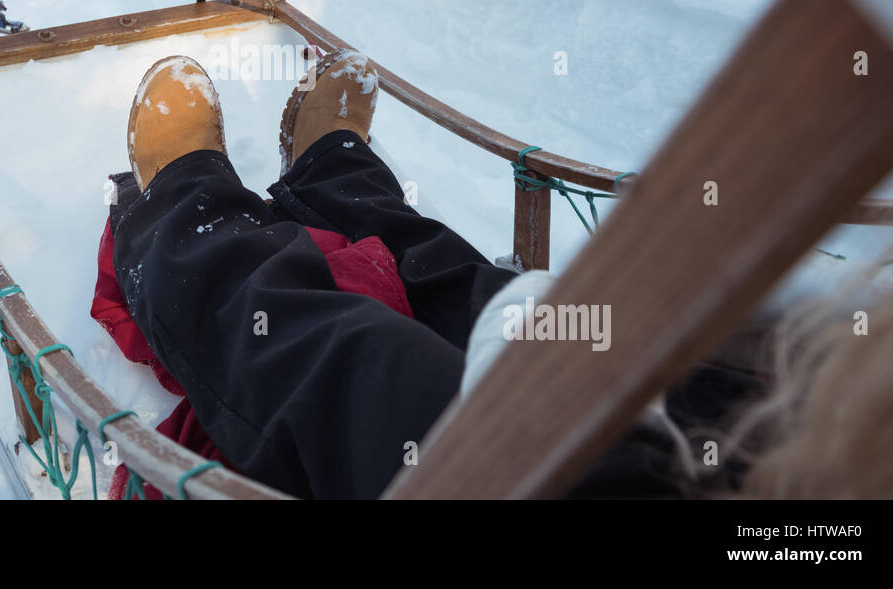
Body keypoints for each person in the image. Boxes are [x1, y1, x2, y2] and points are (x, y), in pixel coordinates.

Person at [107, 49, 764, 499]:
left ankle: (186, 210)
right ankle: (332, 172)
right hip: (764, 450)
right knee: (477, 292)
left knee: (351, 365)